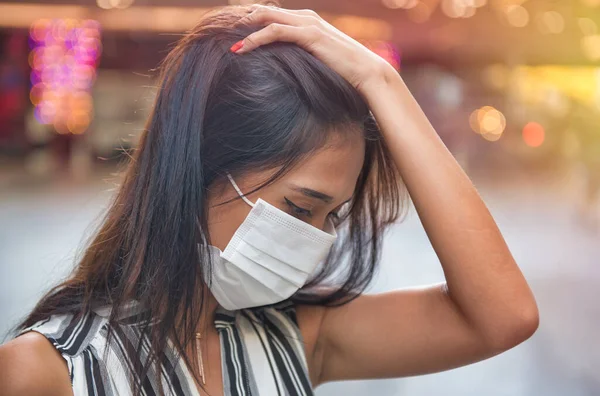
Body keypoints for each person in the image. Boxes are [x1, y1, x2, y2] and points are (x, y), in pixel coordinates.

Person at [0, 4, 539, 396]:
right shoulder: (49, 371)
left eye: (333, 217)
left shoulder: (297, 335)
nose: (316, 242)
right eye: (301, 208)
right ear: (198, 169)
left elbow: (503, 316)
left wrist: (382, 81)